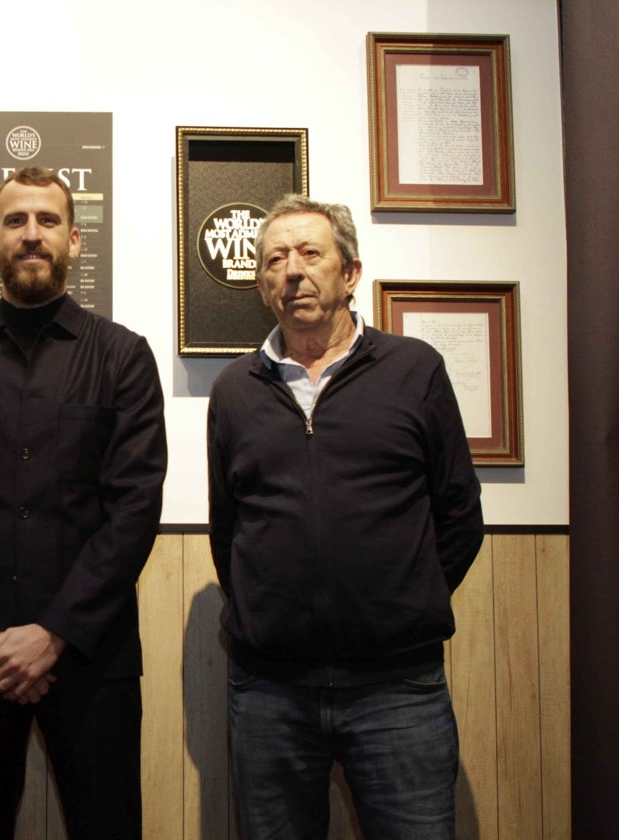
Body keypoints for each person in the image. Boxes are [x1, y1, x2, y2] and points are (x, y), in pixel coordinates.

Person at [0, 166, 167, 839]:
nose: (31, 235)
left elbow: (134, 507)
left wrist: (53, 634)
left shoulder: (123, 358)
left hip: (89, 656)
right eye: (16, 221)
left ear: (75, 240)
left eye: (47, 221)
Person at [207, 194, 484, 839]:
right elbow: (230, 532)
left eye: (310, 253)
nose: (292, 271)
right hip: (270, 691)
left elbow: (459, 513)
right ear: (262, 285)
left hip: (399, 688)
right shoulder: (235, 391)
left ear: (350, 272)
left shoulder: (414, 370)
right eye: (275, 259)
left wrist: (401, 603)